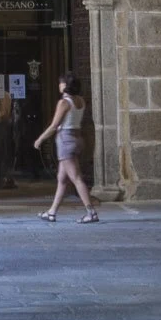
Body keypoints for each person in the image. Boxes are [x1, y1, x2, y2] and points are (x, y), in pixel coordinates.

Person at [35, 73, 97, 222]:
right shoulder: (80, 101)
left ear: (66, 85)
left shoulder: (64, 103)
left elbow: (54, 126)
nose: (59, 85)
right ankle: (52, 212)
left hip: (65, 140)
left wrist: (40, 139)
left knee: (76, 178)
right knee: (62, 179)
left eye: (61, 83)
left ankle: (91, 212)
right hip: (77, 138)